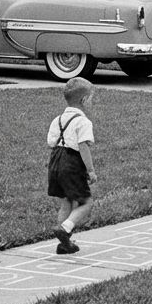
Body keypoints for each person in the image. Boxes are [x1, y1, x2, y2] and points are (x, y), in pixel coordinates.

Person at [47, 76, 98, 254]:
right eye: (91, 98)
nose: (92, 101)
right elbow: (83, 147)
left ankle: (64, 244)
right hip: (71, 163)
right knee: (86, 202)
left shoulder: (57, 120)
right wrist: (90, 171)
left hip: (55, 162)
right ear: (84, 100)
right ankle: (65, 228)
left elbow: (51, 143)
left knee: (67, 202)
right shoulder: (83, 122)